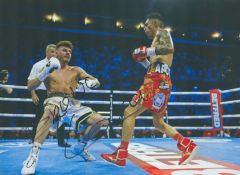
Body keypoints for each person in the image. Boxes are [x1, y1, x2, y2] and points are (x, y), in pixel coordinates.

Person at [101, 13, 198, 166]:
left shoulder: (162, 33)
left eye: (147, 25)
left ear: (156, 24)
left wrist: (146, 51)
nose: (144, 28)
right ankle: (186, 144)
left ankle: (121, 155)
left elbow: (169, 49)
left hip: (155, 82)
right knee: (158, 123)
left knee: (128, 113)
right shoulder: (155, 43)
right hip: (161, 81)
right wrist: (142, 60)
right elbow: (154, 66)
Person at [21, 40, 108, 175]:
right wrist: (44, 73)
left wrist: (92, 83)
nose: (68, 52)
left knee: (101, 121)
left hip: (72, 103)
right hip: (53, 100)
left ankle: (81, 146)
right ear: (56, 52)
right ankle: (32, 157)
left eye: (70, 51)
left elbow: (93, 80)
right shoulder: (47, 67)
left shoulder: (76, 70)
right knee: (49, 111)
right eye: (64, 50)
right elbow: (30, 86)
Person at [27, 44, 70, 147]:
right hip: (42, 92)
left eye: (56, 52)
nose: (54, 54)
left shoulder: (60, 65)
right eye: (52, 52)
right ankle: (33, 139)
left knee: (61, 116)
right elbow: (30, 80)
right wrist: (33, 94)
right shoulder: (38, 65)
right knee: (40, 116)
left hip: (56, 93)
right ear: (47, 52)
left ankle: (61, 141)